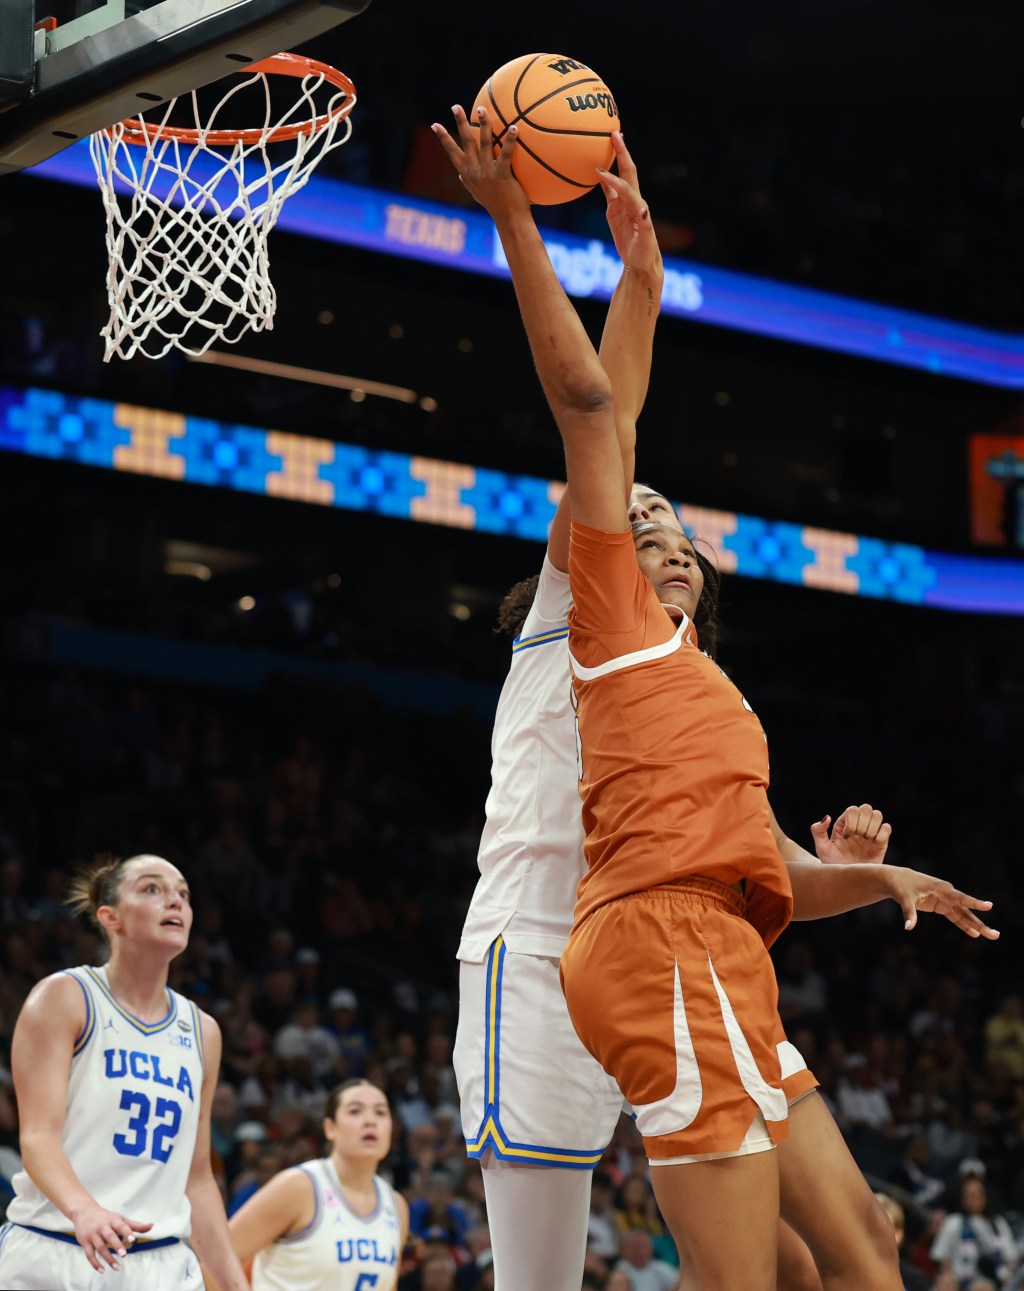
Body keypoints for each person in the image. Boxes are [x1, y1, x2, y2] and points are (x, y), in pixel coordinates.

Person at [432, 104, 999, 1290]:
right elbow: (600, 418)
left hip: (683, 932)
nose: (658, 527)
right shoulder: (577, 616)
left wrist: (864, 869)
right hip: (544, 941)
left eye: (676, 527)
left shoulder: (713, 693)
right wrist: (576, 259)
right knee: (552, 1277)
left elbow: (766, 865)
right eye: (640, 520)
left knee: (833, 1256)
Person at [0, 852, 250, 1291]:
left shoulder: (202, 1031)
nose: (174, 901)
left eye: (183, 894)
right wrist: (84, 1210)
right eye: (152, 889)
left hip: (161, 1264)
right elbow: (37, 1137)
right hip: (57, 1250)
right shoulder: (66, 997)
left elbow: (196, 1177)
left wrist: (234, 1285)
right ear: (109, 917)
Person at [227, 1077, 408, 1290]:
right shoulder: (299, 1186)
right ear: (330, 1128)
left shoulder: (396, 1206)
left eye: (380, 1112)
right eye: (355, 1111)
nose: (370, 1120)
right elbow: (215, 1262)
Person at [929, 1173, 1018, 1289]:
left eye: (979, 1194)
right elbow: (943, 1258)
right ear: (963, 1199)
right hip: (962, 1282)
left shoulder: (997, 1222)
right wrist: (948, 1279)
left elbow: (1011, 1256)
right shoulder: (954, 1222)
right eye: (971, 1195)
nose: (976, 1199)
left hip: (998, 1280)